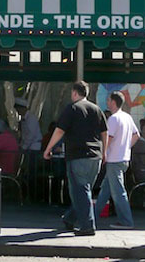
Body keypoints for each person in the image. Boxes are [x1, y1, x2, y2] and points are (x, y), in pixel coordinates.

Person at [43, 81, 108, 236]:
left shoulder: (72, 109)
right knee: (83, 190)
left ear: (74, 93)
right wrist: (104, 152)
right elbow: (104, 132)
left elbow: (59, 131)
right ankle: (70, 218)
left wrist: (48, 149)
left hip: (78, 155)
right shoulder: (97, 109)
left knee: (80, 191)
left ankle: (88, 226)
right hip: (96, 157)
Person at [94, 91, 140, 229]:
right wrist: (126, 147)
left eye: (108, 100)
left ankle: (126, 221)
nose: (107, 102)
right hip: (123, 158)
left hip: (114, 159)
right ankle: (92, 217)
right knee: (106, 190)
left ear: (113, 102)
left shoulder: (113, 119)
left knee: (118, 191)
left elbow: (109, 138)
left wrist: (103, 153)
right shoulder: (127, 117)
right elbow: (136, 135)